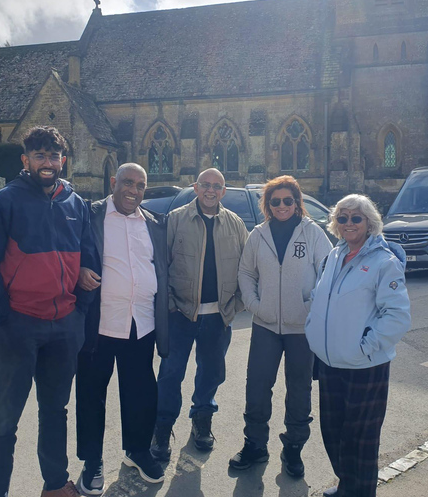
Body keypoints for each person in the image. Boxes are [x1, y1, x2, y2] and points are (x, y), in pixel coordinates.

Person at [0, 126, 97, 497]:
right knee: (4, 419)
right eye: (39, 155)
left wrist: (78, 311)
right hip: (17, 326)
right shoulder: (2, 203)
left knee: (55, 411)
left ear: (63, 160)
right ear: (25, 161)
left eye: (54, 156)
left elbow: (88, 257)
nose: (48, 162)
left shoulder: (76, 204)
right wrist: (3, 313)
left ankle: (55, 485)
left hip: (64, 326)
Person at [304, 194, 411, 497]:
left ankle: (359, 492)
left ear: (369, 223)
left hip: (365, 366)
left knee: (360, 440)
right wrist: (313, 332)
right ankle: (346, 486)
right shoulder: (334, 256)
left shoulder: (383, 261)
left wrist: (365, 347)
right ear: (335, 224)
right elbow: (319, 300)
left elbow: (398, 316)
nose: (348, 223)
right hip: (329, 362)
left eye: (355, 218)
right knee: (333, 433)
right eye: (342, 218)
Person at [75, 163, 168, 495]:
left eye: (140, 185)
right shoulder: (91, 215)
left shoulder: (155, 223)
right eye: (128, 183)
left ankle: (137, 451)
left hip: (141, 324)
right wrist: (79, 271)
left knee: (141, 393)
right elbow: (72, 252)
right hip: (98, 324)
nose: (134, 190)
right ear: (113, 182)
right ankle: (92, 461)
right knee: (91, 395)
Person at [231, 175, 332, 477]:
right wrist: (254, 304)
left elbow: (328, 274)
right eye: (275, 201)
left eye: (288, 200)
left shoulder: (313, 233)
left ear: (297, 202)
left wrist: (309, 307)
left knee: (299, 390)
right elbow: (246, 273)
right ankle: (255, 445)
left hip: (302, 327)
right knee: (257, 387)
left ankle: (293, 449)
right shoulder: (258, 235)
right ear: (268, 205)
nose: (282, 206)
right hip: (265, 325)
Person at [151, 168, 249, 461]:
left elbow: (248, 269)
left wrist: (236, 305)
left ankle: (201, 422)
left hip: (218, 317)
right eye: (205, 184)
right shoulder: (176, 219)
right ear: (195, 187)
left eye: (216, 186)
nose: (210, 190)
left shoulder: (235, 224)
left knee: (211, 374)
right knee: (170, 375)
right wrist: (168, 304)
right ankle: (163, 428)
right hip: (180, 314)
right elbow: (159, 265)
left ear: (224, 191)